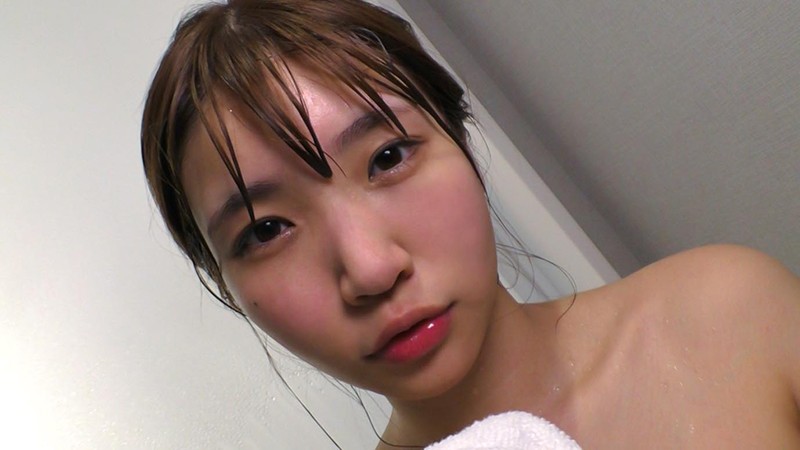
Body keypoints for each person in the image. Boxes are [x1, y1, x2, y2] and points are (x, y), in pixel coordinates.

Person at [141, 0, 800, 448]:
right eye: (266, 230)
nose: (372, 268)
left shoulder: (729, 315)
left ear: (459, 135)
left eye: (387, 157)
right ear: (227, 286)